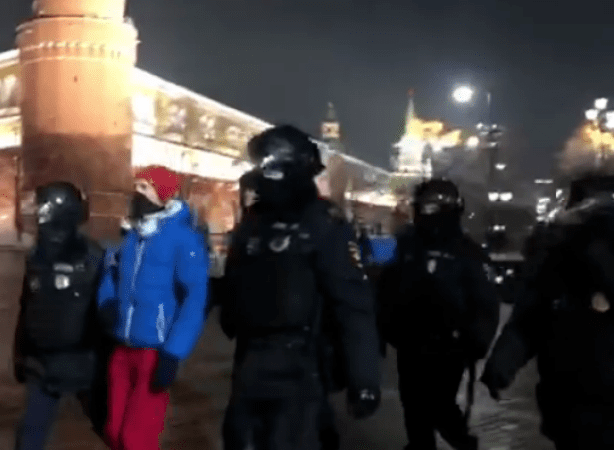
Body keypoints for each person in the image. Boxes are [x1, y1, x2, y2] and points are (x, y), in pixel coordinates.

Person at [218, 125, 381, 450]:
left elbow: (352, 305)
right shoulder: (253, 222)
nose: (265, 172)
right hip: (250, 361)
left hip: (301, 364)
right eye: (262, 163)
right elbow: (235, 280)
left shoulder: (323, 223)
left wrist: (363, 379)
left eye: (272, 163)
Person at [481, 173, 614, 449]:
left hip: (570, 393)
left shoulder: (558, 252)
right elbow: (530, 317)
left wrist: (501, 366)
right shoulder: (559, 253)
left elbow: (528, 319)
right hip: (575, 394)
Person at [376, 178, 499, 450]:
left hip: (450, 345)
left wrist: (476, 342)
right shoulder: (405, 244)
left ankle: (463, 442)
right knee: (414, 406)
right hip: (410, 342)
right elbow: (381, 282)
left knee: (439, 405)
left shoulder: (467, 252)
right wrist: (386, 329)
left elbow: (485, 302)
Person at [96, 165, 211, 450]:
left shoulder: (183, 238)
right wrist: (107, 302)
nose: (137, 193)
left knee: (136, 439)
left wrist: (173, 352)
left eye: (144, 187)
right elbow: (110, 271)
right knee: (113, 430)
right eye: (136, 186)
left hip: (155, 350)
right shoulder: (132, 234)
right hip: (122, 345)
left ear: (163, 193)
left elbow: (195, 296)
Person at [12, 182, 107, 449]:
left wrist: (104, 362)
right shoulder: (36, 255)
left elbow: (106, 310)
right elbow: (26, 305)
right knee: (30, 433)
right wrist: (20, 352)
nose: (35, 213)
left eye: (41, 207)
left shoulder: (92, 256)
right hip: (41, 363)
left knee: (109, 429)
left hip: (82, 361)